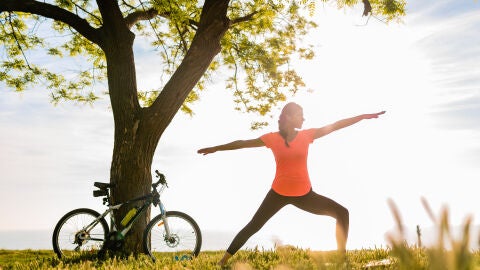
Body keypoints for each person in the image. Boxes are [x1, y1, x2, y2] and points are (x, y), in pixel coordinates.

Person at [197, 102, 385, 267]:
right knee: (254, 225)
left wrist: (362, 116)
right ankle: (223, 261)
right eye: (299, 115)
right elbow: (243, 143)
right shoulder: (272, 138)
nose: (303, 118)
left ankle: (341, 259)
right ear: (288, 117)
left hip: (304, 195)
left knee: (342, 213)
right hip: (278, 193)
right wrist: (216, 148)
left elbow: (336, 125)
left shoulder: (307, 135)